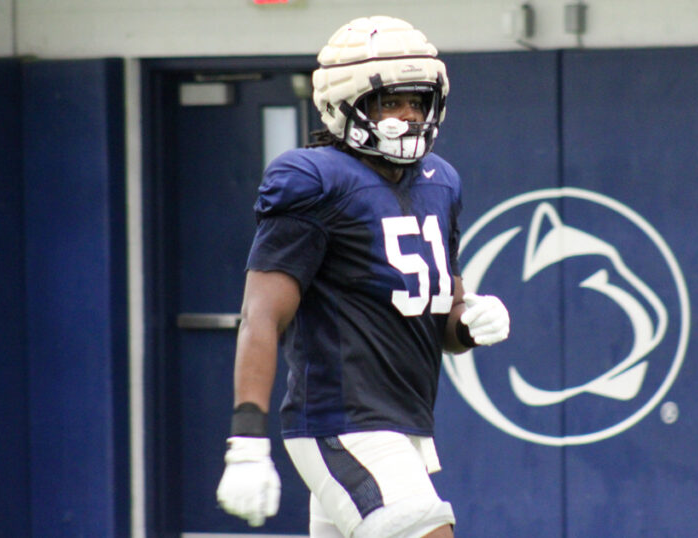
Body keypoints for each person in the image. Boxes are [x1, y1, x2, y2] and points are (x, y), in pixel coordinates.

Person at [214, 15, 511, 538]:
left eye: (417, 101)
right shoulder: (312, 179)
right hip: (344, 422)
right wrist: (247, 441)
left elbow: (443, 317)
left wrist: (470, 322)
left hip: (405, 423)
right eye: (390, 102)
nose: (408, 115)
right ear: (345, 105)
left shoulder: (441, 182)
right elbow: (262, 316)